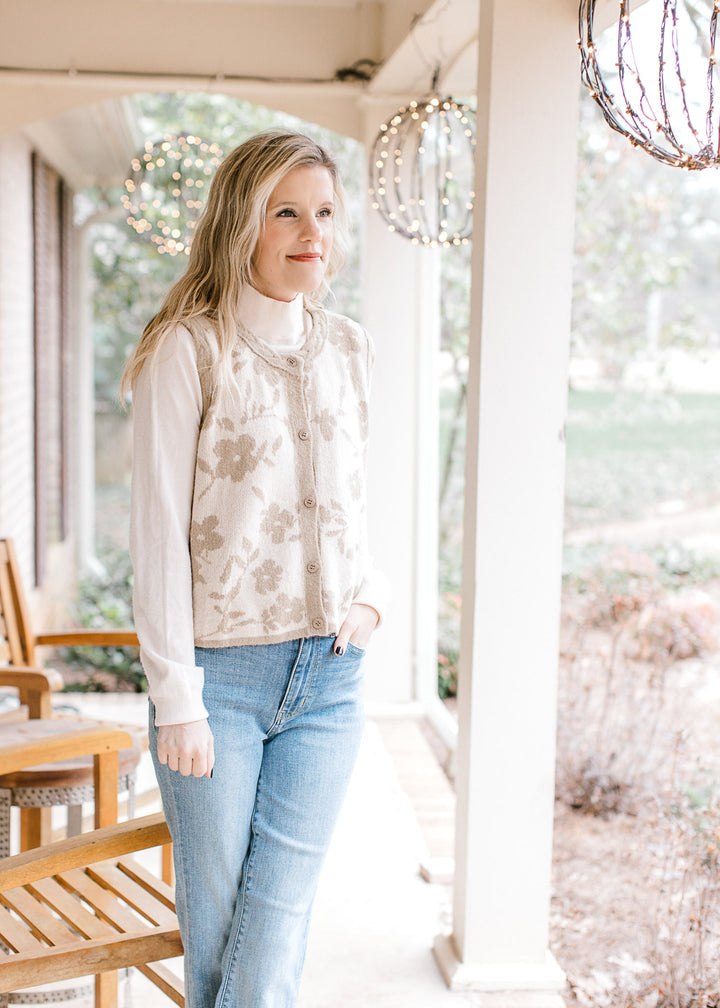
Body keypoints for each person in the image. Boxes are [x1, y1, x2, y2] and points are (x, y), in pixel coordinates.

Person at [122, 129, 389, 1008]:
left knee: (276, 921)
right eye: (286, 212)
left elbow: (365, 489)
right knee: (221, 924)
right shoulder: (189, 350)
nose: (311, 231)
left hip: (331, 677)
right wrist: (177, 697)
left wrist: (372, 598)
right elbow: (159, 532)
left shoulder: (349, 346)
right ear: (243, 223)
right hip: (221, 682)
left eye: (323, 212)